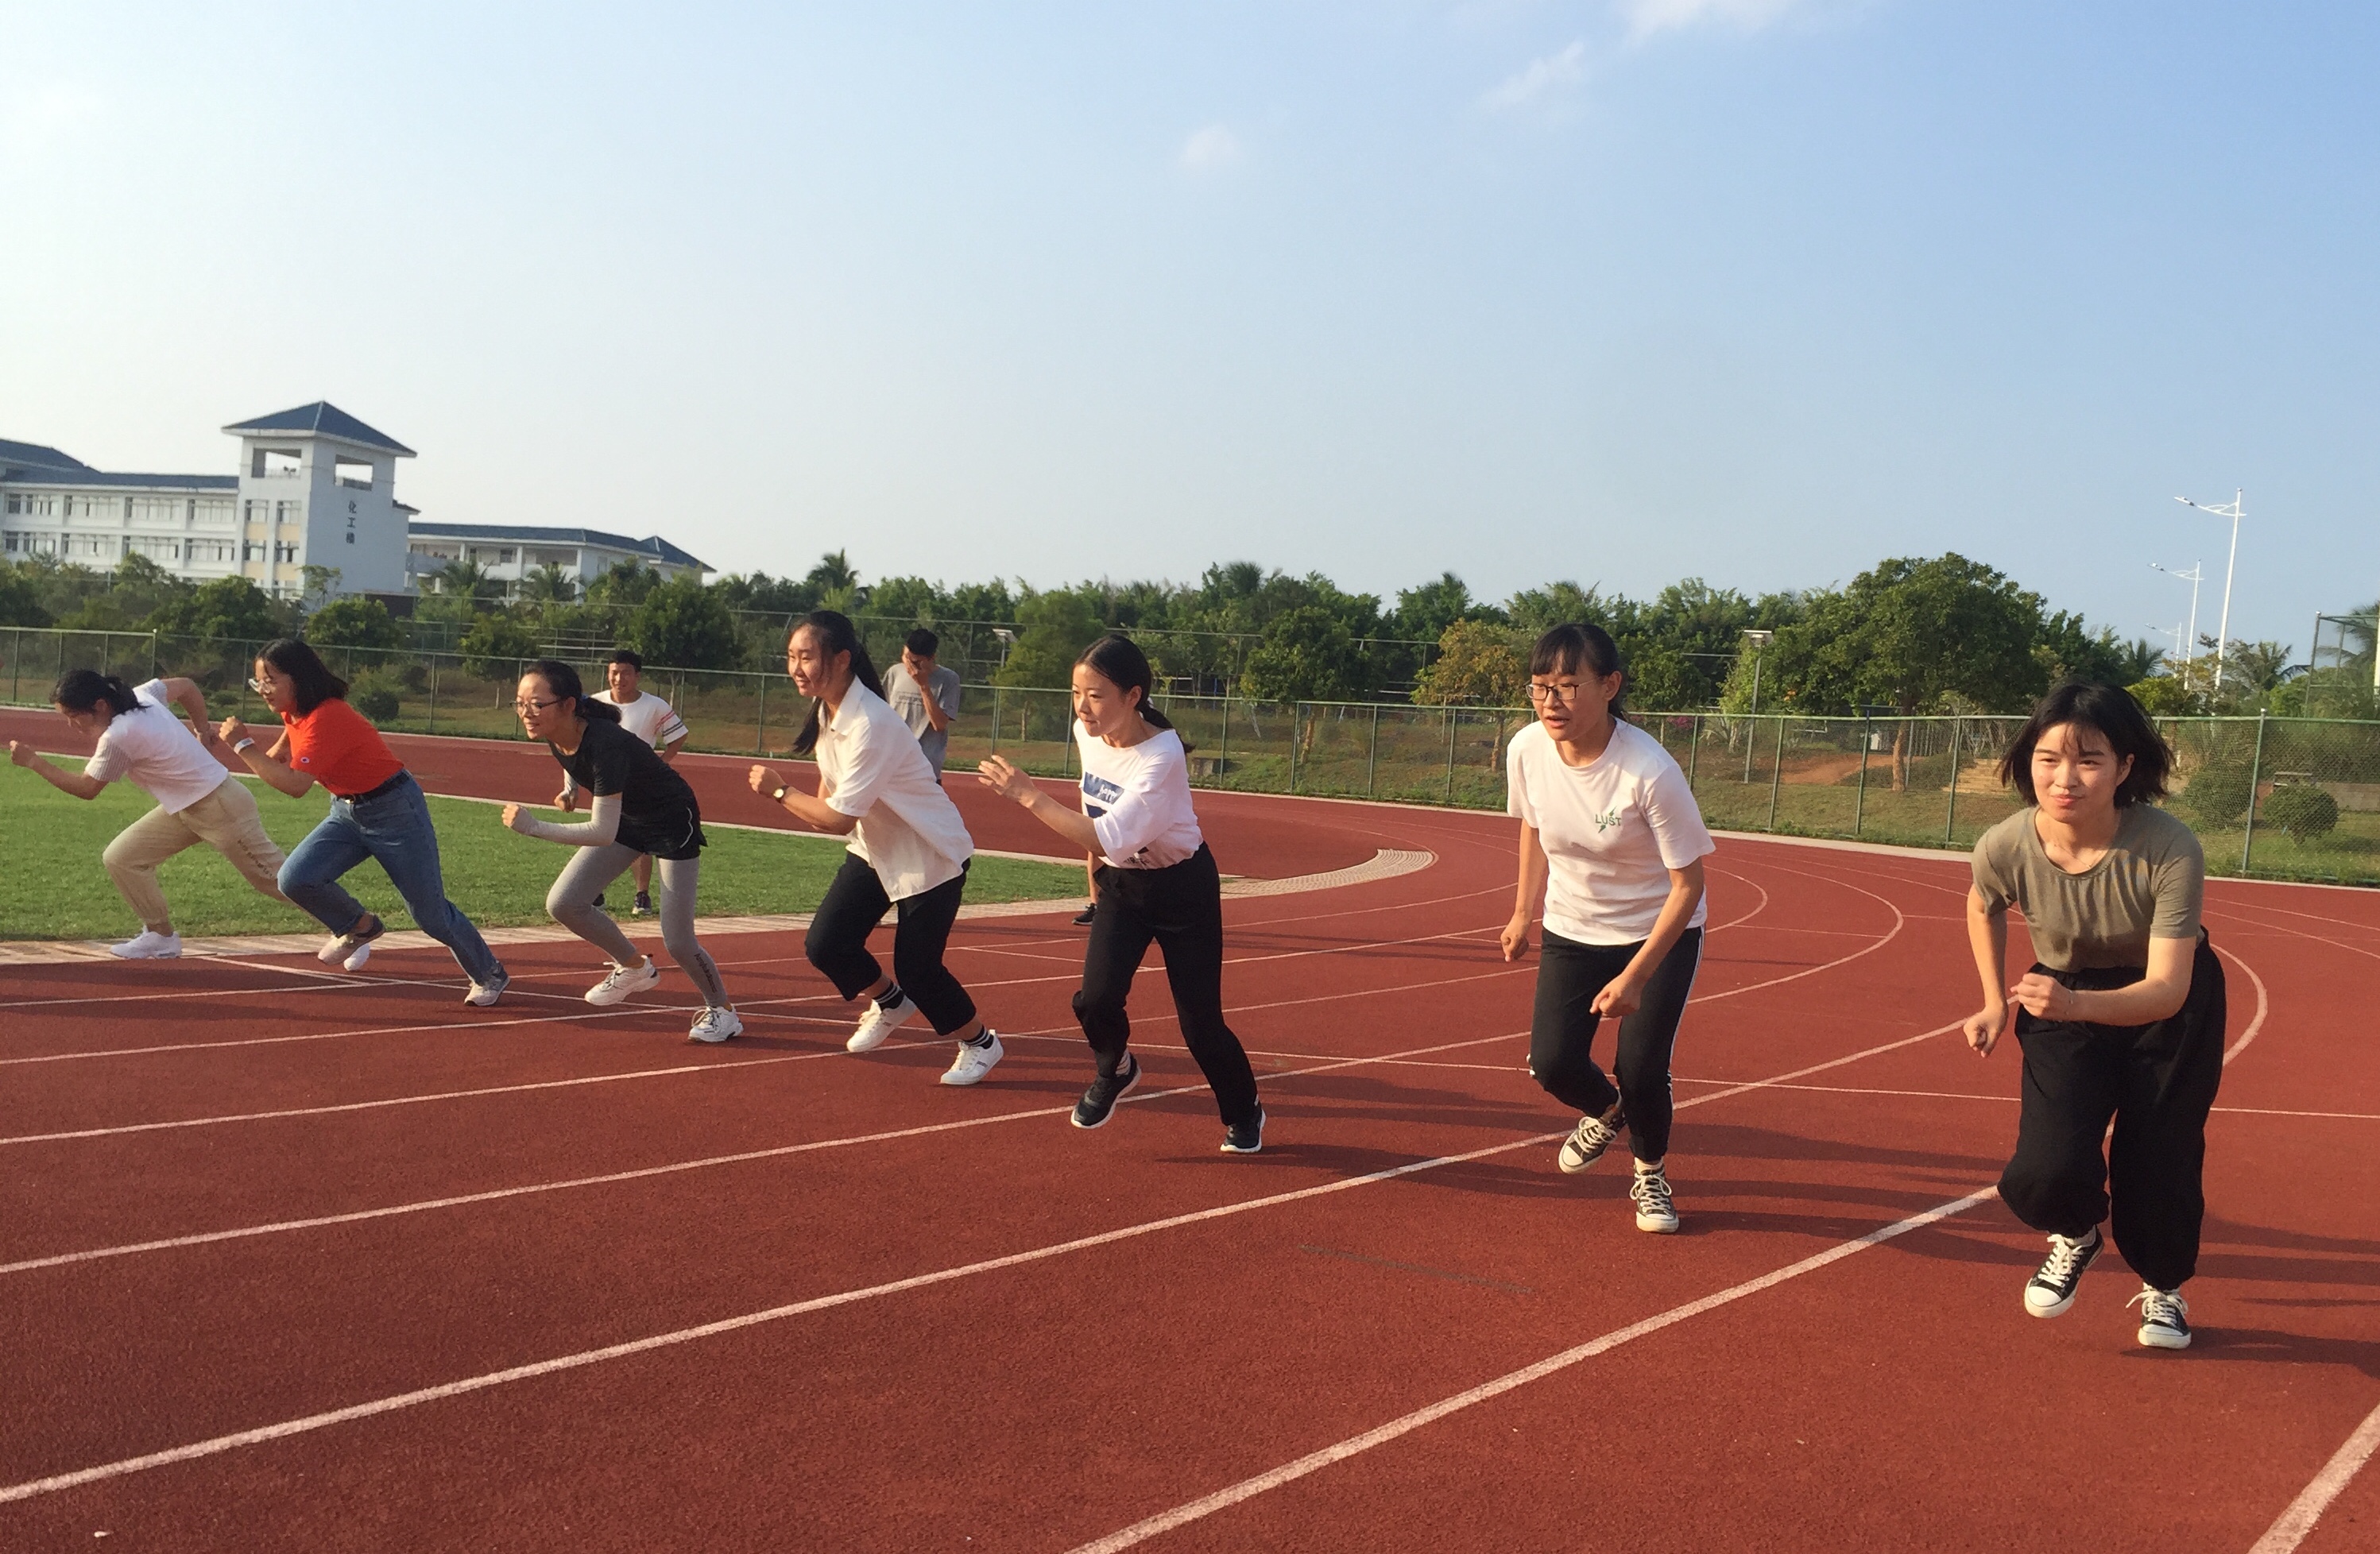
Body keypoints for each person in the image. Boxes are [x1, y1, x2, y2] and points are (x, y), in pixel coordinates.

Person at [1962, 681, 2221, 1351]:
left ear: (2125, 767)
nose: (2065, 778)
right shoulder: (2004, 843)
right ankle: (2075, 1233)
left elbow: (2166, 988)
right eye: (2048, 759)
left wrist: (2076, 1004)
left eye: (2089, 760)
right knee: (2042, 1168)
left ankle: (2163, 1289)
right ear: (2028, 763)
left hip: (2168, 1005)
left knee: (2158, 1157)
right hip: (2063, 992)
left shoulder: (2168, 847)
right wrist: (1994, 998)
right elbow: (1982, 902)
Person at [978, 633, 1265, 1152]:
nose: (1082, 708)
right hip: (1122, 885)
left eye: (1096, 695)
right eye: (1075, 693)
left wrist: (1026, 795)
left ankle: (1244, 1112)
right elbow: (1095, 812)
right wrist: (1095, 887)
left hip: (1182, 889)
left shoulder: (1160, 758)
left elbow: (1105, 834)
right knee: (1094, 1000)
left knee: (1200, 1026)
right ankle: (1117, 1067)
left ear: (1133, 696)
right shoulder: (1087, 732)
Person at [1499, 623, 1712, 1234]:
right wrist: (1522, 912)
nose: (1550, 703)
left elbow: (1689, 885)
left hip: (1656, 931)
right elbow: (1533, 828)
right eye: (1540, 688)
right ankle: (1607, 1110)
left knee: (1641, 1064)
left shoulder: (1648, 770)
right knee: (1552, 1062)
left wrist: (1636, 976)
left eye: (1568, 686)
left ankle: (1650, 1174)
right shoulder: (1526, 749)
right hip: (1573, 925)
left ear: (1609, 685)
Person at [749, 611, 1004, 1086]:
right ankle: (890, 1002)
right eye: (791, 657)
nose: (796, 668)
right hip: (875, 848)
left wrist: (781, 792)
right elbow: (831, 810)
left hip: (931, 854)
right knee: (826, 945)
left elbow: (838, 817)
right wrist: (797, 801)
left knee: (919, 968)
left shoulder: (871, 722)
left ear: (842, 659)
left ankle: (981, 1042)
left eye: (807, 657)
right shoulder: (829, 712)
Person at [217, 639, 509, 1005]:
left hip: (395, 809)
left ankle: (489, 973)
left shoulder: (329, 716)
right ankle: (360, 926)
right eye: (258, 681)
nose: (263, 690)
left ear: (299, 678)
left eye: (270, 680)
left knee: (430, 915)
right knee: (295, 878)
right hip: (347, 810)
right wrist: (255, 752)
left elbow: (294, 786)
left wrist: (243, 747)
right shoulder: (294, 712)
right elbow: (282, 755)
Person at [500, 659, 741, 1043]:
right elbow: (577, 764)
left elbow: (600, 831)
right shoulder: (555, 731)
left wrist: (533, 828)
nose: (526, 713)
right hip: (628, 815)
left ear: (568, 705)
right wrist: (571, 788)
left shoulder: (607, 745)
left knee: (678, 940)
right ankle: (634, 967)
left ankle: (723, 1012)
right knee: (564, 902)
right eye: (519, 703)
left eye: (535, 704)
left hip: (671, 820)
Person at [9, 669, 287, 958]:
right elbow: (187, 686)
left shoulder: (119, 735)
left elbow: (87, 789)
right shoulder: (142, 696)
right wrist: (203, 730)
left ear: (101, 706)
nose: (71, 724)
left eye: (74, 715)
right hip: (185, 808)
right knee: (123, 858)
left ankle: (339, 921)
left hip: (220, 808)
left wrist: (34, 763)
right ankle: (160, 936)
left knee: (280, 882)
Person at [563, 649, 690, 919]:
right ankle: (594, 891)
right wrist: (570, 788)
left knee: (639, 841)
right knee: (597, 832)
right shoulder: (594, 705)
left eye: (625, 673)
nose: (619, 679)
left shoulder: (654, 705)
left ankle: (641, 894)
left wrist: (662, 762)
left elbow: (679, 735)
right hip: (605, 782)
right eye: (614, 673)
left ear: (637, 676)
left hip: (640, 785)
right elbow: (574, 746)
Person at [884, 627, 962, 781]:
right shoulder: (895, 672)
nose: (910, 665)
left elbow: (939, 724)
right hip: (892, 766)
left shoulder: (949, 679)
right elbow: (883, 713)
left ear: (932, 657)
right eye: (907, 657)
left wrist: (924, 686)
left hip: (925, 769)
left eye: (916, 662)